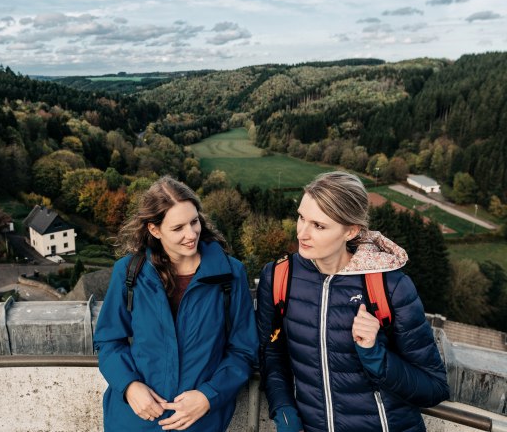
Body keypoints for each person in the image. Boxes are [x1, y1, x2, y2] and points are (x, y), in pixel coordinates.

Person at [257, 171, 449, 432]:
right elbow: (272, 353)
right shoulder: (279, 276)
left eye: (319, 225)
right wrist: (283, 409)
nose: (302, 233)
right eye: (301, 217)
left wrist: (374, 355)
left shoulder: (389, 286)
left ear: (351, 231)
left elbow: (434, 388)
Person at [94, 176, 258, 431]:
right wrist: (129, 386)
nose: (191, 234)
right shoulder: (128, 273)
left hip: (199, 423)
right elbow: (108, 341)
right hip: (133, 421)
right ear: (154, 230)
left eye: (194, 222)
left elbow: (244, 351)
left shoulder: (230, 274)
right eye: (178, 228)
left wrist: (208, 396)